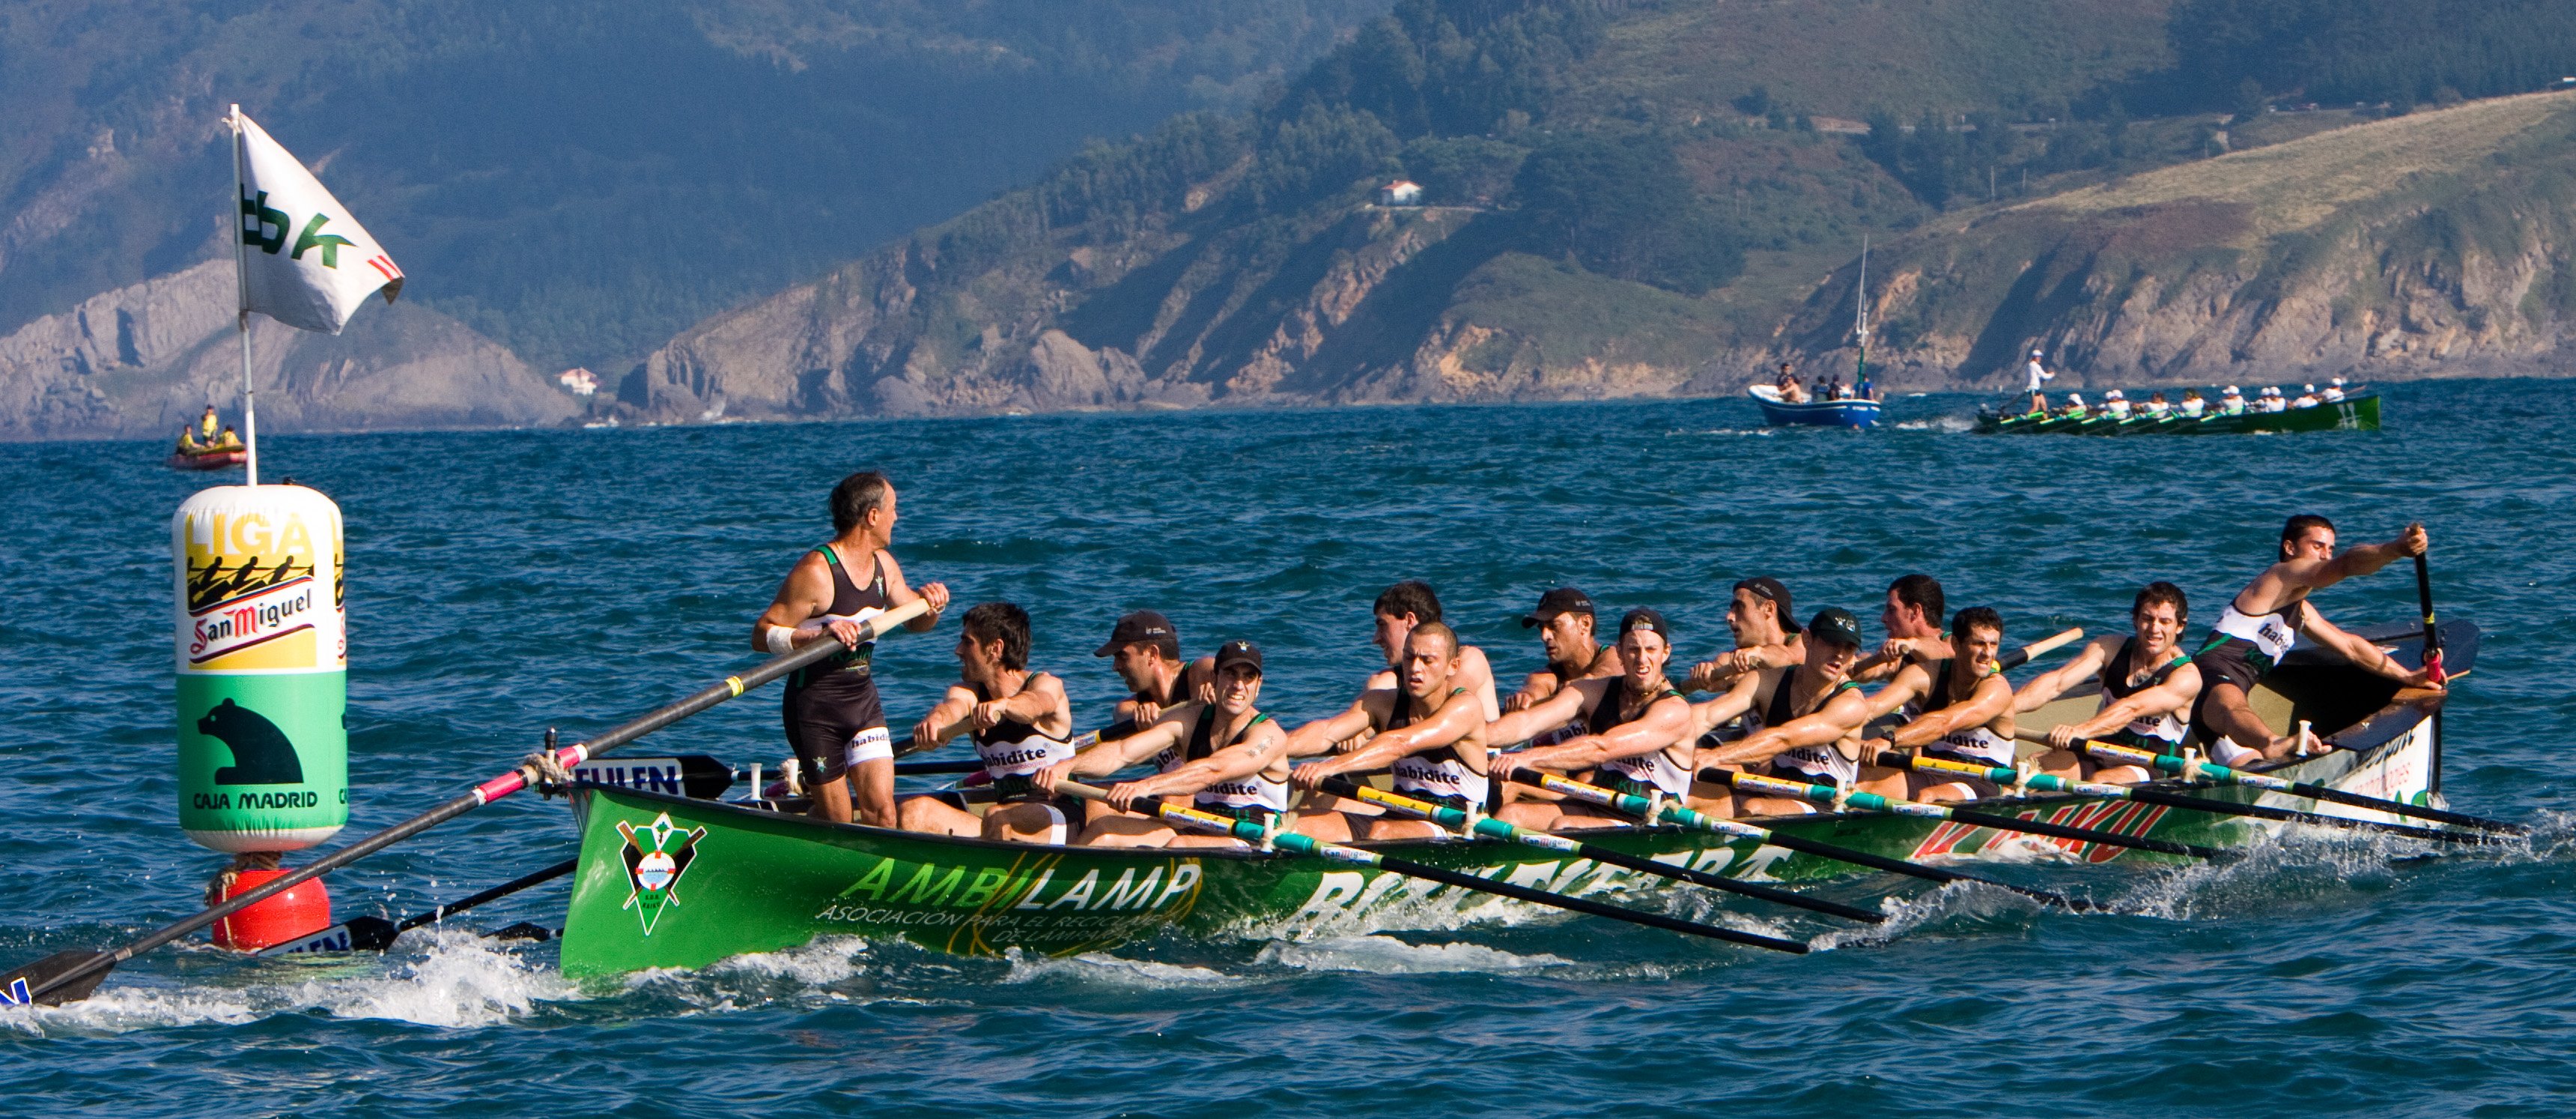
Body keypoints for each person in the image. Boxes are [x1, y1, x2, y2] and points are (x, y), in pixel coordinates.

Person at [753, 470, 949, 825]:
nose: (897, 517)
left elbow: (915, 622)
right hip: (814, 710)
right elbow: (761, 633)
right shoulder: (817, 571)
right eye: (893, 509)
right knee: (838, 822)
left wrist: (931, 606)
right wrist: (808, 636)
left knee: (884, 813)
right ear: (872, 516)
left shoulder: (884, 566)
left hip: (863, 704)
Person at [2190, 516, 2442, 765]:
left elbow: (2351, 647)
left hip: (2220, 709)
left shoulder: (2302, 611)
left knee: (2247, 768)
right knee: (2236, 709)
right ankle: (2270, 742)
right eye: (2317, 546)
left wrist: (2407, 677)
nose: (2325, 555)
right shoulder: (2279, 576)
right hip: (2210, 676)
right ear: (2290, 548)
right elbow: (2345, 566)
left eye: (2331, 549)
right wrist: (2395, 549)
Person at [1042, 640, 1289, 847]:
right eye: (1230, 674)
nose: (1238, 685)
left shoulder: (1268, 736)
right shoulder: (1189, 721)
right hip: (1200, 827)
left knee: (1178, 845)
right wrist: (1068, 766)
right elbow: (1122, 752)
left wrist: (1146, 786)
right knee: (1104, 828)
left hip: (1256, 839)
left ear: (1258, 687)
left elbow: (1213, 770)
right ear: (1215, 678)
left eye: (1248, 678)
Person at [1489, 609, 1698, 830]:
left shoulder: (1674, 711)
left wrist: (1526, 758)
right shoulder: (1596, 691)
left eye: (1651, 650)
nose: (1642, 659)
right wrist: (1479, 737)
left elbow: (1603, 747)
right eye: (1633, 649)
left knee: (1565, 825)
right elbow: (1528, 722)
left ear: (1665, 653)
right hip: (1599, 804)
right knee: (1510, 815)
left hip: (1651, 820)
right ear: (1620, 652)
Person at [1286, 622, 1491, 840]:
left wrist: (1330, 766)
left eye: (1427, 660)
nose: (1415, 668)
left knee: (1381, 832)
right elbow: (1326, 732)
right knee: (1295, 825)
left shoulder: (1465, 707)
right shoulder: (1381, 702)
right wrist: (1272, 750)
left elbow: (1399, 744)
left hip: (1456, 825)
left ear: (1453, 666)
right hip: (1398, 814)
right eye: (1409, 658)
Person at [897, 602, 1079, 843]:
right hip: (1003, 819)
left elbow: (1036, 704)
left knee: (997, 817)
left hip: (1061, 817)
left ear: (995, 648)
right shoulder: (969, 693)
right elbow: (952, 708)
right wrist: (934, 722)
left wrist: (1003, 705)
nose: (958, 650)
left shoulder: (1046, 685)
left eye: (967, 642)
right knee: (914, 811)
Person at [1692, 608, 1880, 816]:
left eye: (1849, 648)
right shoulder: (1767, 680)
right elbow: (1708, 715)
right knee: (1692, 791)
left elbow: (1784, 739)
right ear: (1807, 639)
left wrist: (1718, 755)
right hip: (1771, 789)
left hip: (1824, 805)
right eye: (1831, 643)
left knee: (1755, 808)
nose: (1840, 654)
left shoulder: (1850, 704)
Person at [2013, 582, 2200, 783]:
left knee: (2100, 781)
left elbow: (2131, 708)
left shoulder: (2186, 676)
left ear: (2180, 626)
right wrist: (2005, 709)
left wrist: (2079, 731)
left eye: (2165, 622)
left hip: (2148, 763)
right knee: (2037, 767)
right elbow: (2056, 683)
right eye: (2147, 619)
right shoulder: (2109, 648)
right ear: (2135, 620)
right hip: (2097, 750)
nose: (2155, 628)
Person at [1856, 607, 2017, 803]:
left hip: (1982, 780)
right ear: (1956, 645)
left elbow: (1944, 722)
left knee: (1927, 796)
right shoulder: (1927, 674)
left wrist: (1889, 739)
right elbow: (1872, 708)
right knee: (1861, 781)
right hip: (1932, 769)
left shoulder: (1996, 690)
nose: (1987, 653)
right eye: (1979, 644)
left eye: (1993, 644)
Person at [1360, 581, 1501, 721]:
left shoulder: (1469, 660)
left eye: (1383, 625)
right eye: (1410, 659)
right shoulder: (1386, 680)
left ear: (1409, 621)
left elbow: (1444, 711)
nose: (1376, 639)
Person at [1504, 587, 1623, 740]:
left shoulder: (1614, 656)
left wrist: (1578, 687)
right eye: (1541, 628)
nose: (1544, 636)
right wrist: (1526, 700)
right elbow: (1535, 689)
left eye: (1554, 626)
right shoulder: (1545, 676)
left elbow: (1608, 673)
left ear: (1585, 624)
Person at [1096, 610, 1196, 730]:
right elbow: (1122, 714)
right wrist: (1138, 715)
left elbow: (1210, 665)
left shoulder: (1200, 675)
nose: (1115, 667)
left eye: (1122, 656)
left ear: (1152, 654)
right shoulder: (1129, 706)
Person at [1853, 573, 1948, 684]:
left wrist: (1911, 645)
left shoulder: (1956, 643)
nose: (1883, 618)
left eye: (1892, 610)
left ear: (1915, 611)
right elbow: (1872, 670)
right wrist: (1850, 663)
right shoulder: (1899, 658)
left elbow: (1947, 653)